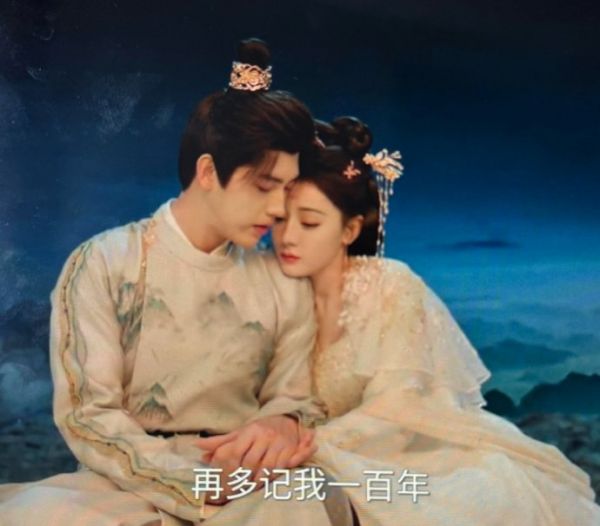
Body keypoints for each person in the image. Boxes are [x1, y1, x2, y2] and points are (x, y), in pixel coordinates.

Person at [0, 40, 355, 526]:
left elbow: (296, 394)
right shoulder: (105, 262)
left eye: (287, 190)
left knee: (310, 504)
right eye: (264, 185)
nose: (278, 209)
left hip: (251, 484)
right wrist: (189, 484)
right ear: (207, 171)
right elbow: (89, 416)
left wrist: (282, 422)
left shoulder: (282, 281)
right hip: (124, 483)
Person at [202, 116, 600, 524]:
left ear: (349, 229)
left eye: (309, 223)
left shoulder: (390, 285)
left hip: (409, 453)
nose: (288, 237)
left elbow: (400, 405)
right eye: (280, 220)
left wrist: (307, 442)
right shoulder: (273, 286)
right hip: (312, 453)